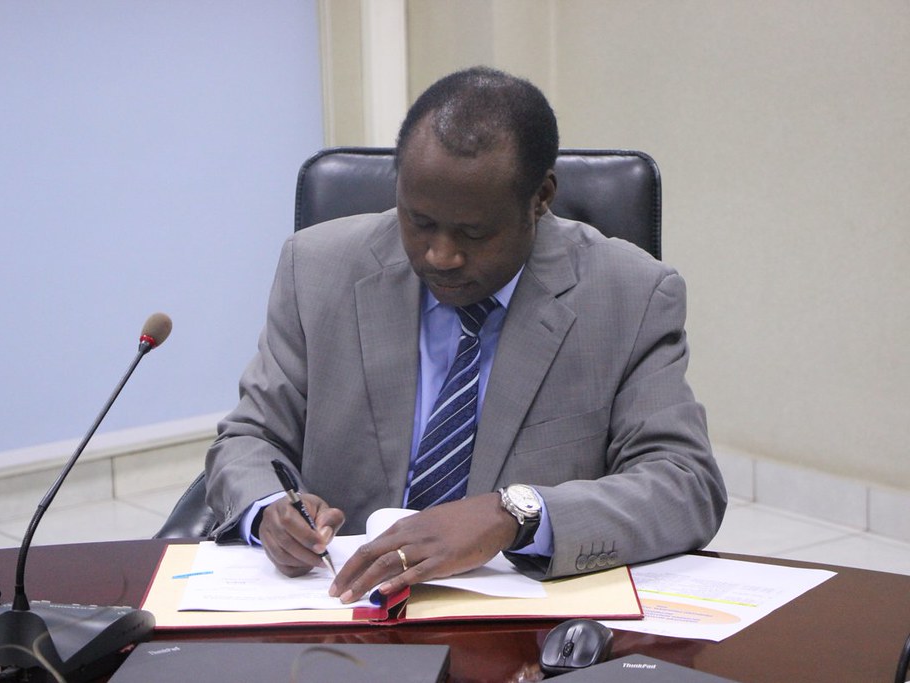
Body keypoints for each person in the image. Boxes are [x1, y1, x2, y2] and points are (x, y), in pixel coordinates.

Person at [205, 66, 726, 605]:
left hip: (518, 617)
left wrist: (516, 514)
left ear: (541, 198)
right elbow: (250, 438)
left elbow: (685, 484)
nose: (441, 256)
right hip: (339, 607)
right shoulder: (317, 268)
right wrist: (269, 509)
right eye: (420, 222)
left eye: (474, 232)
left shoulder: (630, 294)